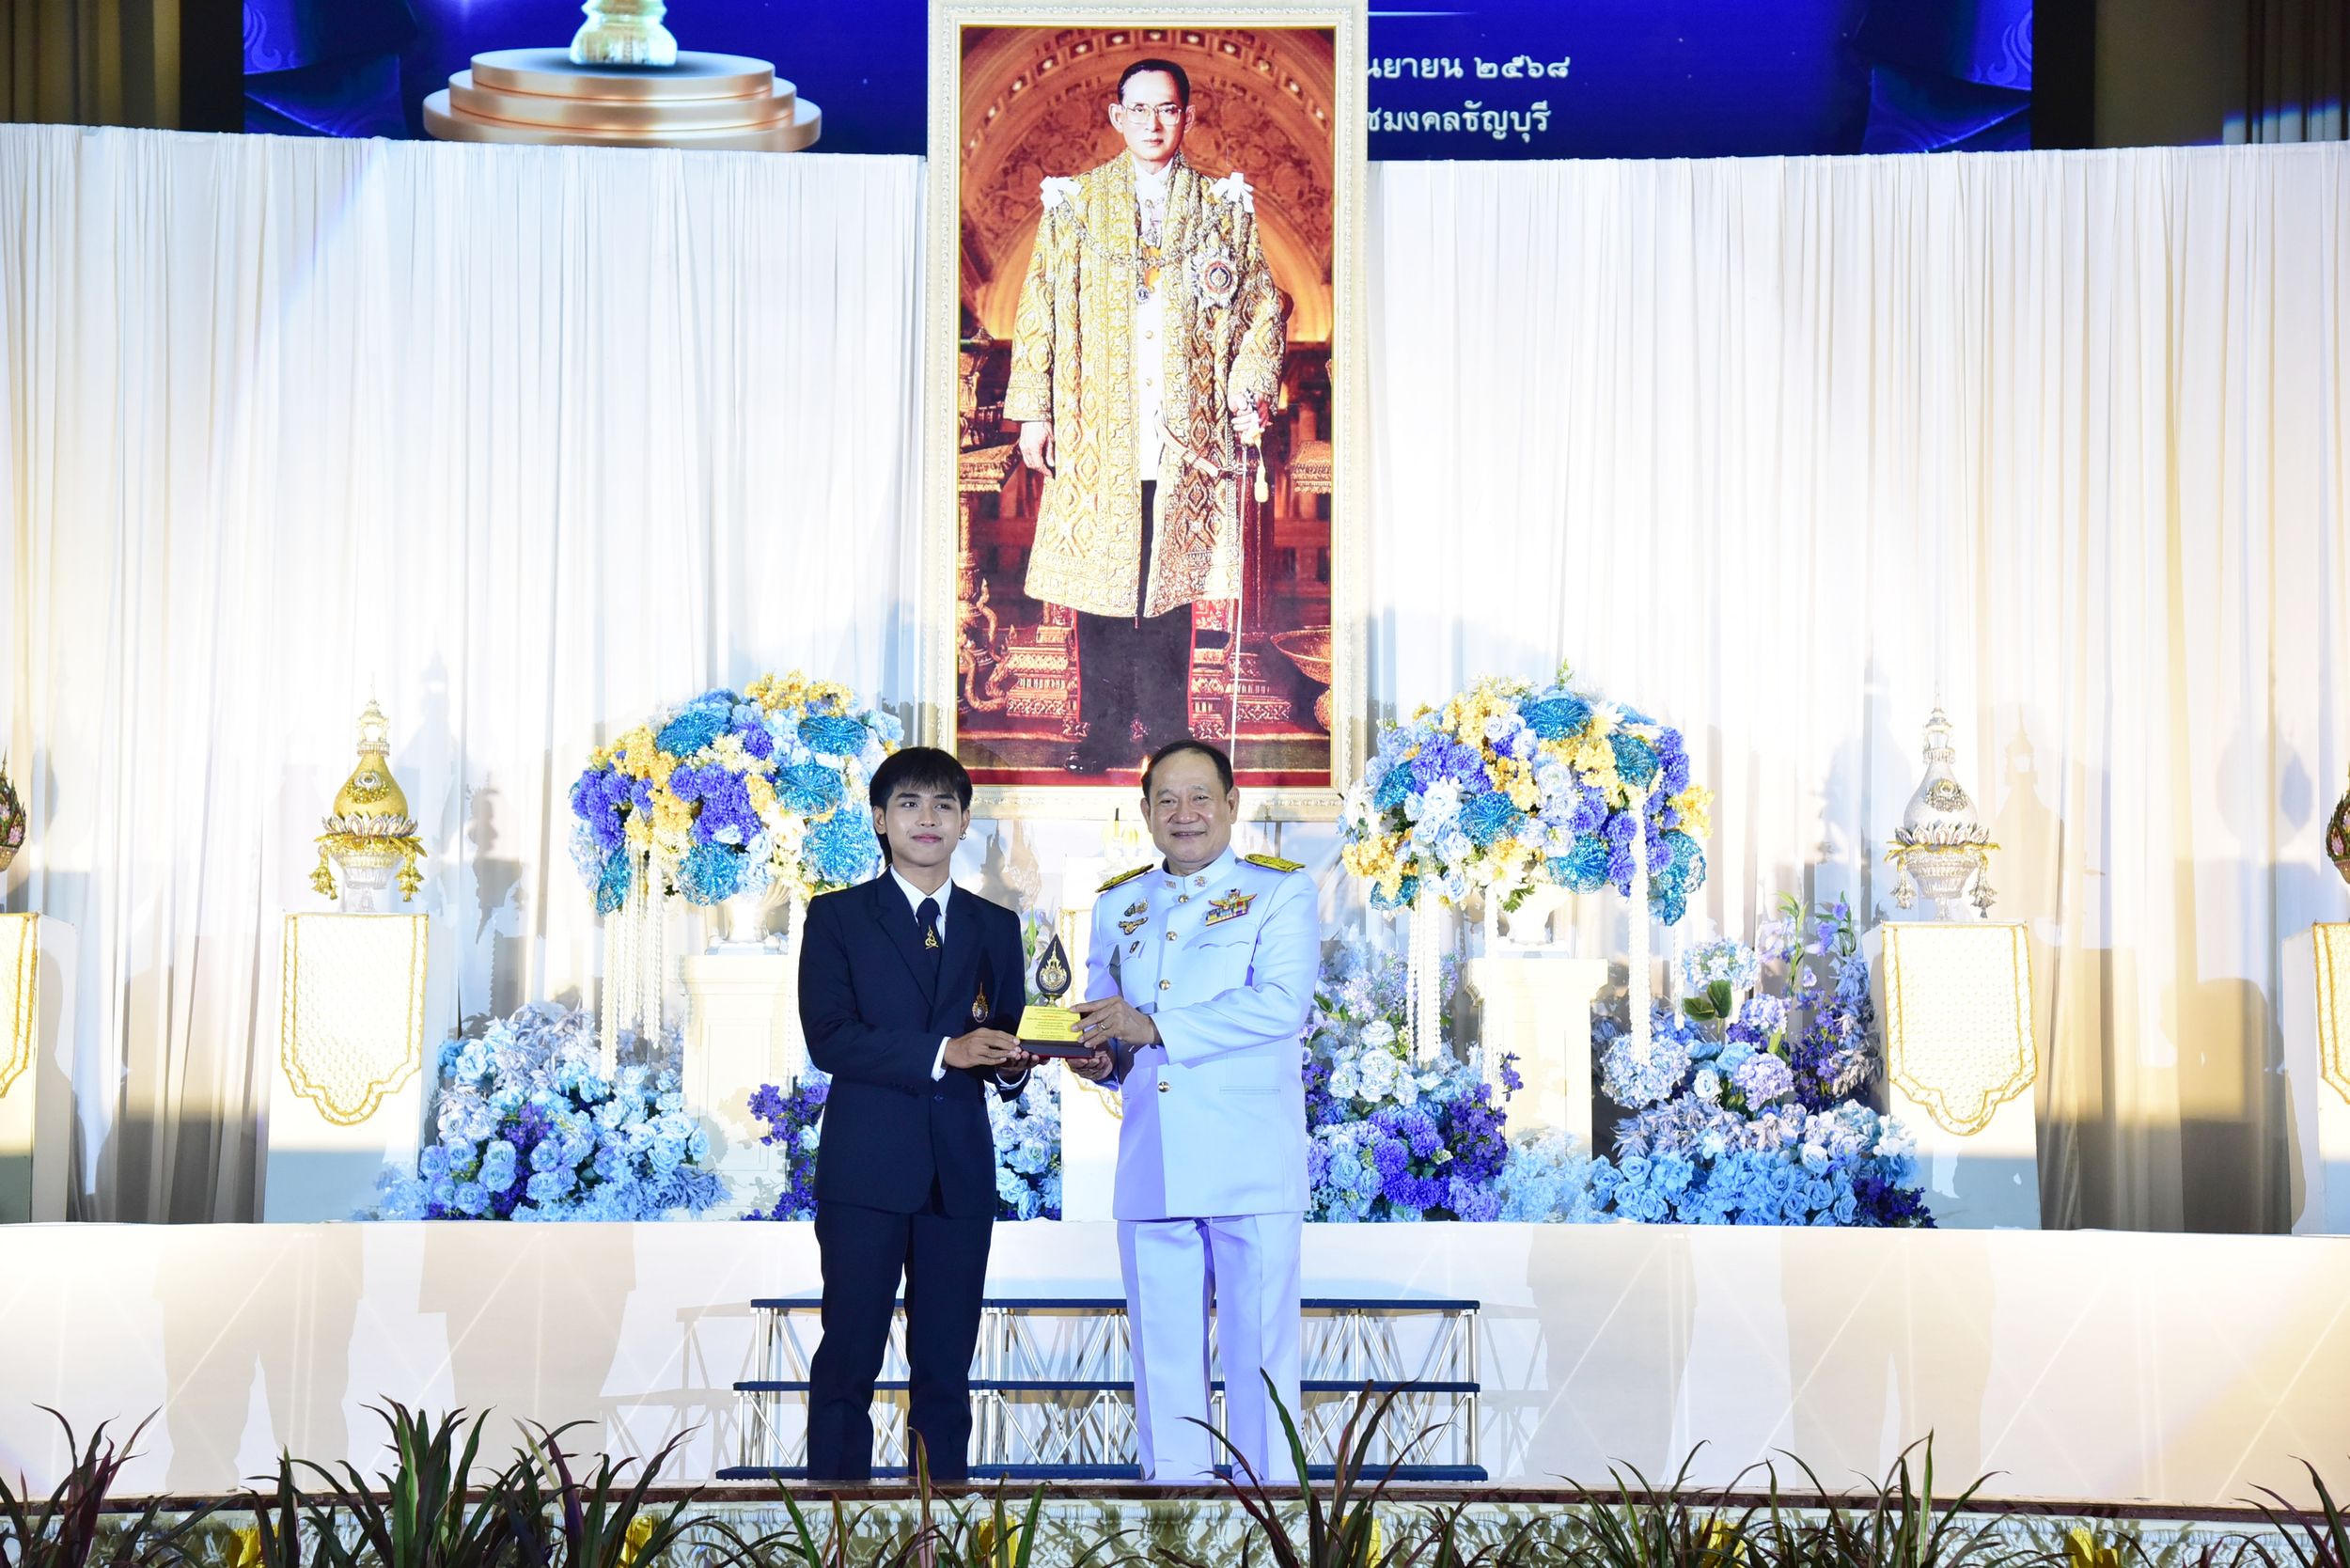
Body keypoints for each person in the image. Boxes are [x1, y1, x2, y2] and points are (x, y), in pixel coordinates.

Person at [1004, 58, 1287, 776]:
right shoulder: (1074, 204)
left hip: (1186, 431)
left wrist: (1248, 388)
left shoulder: (1223, 206)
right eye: (1140, 109)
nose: (1153, 123)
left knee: (1170, 586)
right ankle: (1101, 730)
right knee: (1102, 585)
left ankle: (1168, 730)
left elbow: (1259, 308)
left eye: (1167, 109)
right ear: (1116, 116)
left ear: (1187, 116)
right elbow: (1038, 308)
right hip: (1097, 424)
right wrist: (1034, 411)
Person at [1069, 738, 1317, 1482]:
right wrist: (1100, 1058)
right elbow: (1109, 1024)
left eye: (1201, 797)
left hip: (1249, 1159)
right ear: (1145, 813)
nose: (1185, 814)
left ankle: (1272, 1520)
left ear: (1232, 805)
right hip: (1154, 1161)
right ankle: (1174, 1516)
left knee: (1260, 1360)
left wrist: (1151, 1028)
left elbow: (1281, 1004)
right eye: (1167, 801)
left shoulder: (1280, 891)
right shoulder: (1118, 904)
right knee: (1164, 1359)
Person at [797, 746, 1038, 1482]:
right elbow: (830, 1038)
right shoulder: (837, 917)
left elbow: (1001, 1033)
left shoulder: (995, 924)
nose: (926, 818)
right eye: (909, 803)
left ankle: (941, 1516)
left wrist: (1013, 1063)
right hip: (867, 1169)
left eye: (943, 805)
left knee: (946, 1363)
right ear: (879, 819)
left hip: (958, 1172)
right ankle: (835, 1519)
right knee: (849, 1356)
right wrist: (944, 1052)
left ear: (964, 822)